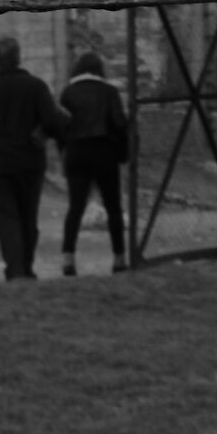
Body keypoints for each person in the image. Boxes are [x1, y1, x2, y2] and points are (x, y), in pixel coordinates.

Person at [0, 35, 69, 280]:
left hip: (0, 161)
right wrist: (45, 133)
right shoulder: (36, 86)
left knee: (5, 214)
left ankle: (15, 268)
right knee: (28, 214)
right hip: (31, 159)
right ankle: (27, 266)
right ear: (18, 58)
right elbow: (53, 120)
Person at [58, 52, 131, 276]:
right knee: (113, 206)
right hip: (104, 151)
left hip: (77, 152)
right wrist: (123, 153)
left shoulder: (68, 92)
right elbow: (119, 124)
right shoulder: (109, 92)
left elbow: (61, 125)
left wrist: (64, 151)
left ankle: (68, 257)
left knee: (76, 207)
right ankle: (119, 257)